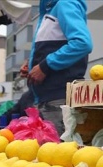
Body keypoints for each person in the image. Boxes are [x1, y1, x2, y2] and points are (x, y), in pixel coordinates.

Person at [27, 0, 93, 136]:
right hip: (53, 101)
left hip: (58, 101)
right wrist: (33, 65)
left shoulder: (64, 4)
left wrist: (45, 66)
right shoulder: (52, 8)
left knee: (58, 155)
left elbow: (82, 43)